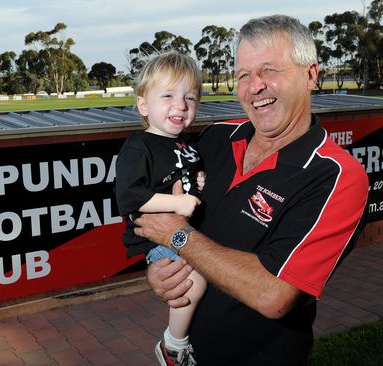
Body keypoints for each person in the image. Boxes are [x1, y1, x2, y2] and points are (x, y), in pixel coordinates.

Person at [133, 15, 369, 365]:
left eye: (269, 71)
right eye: (243, 75)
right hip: (190, 352)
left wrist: (178, 237)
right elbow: (162, 217)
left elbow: (274, 295)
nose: (254, 86)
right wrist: (159, 270)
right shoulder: (216, 137)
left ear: (310, 75)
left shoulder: (335, 176)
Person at [114, 51, 207, 366]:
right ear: (143, 105)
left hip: (185, 231)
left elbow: (188, 177)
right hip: (157, 239)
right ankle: (173, 344)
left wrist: (199, 181)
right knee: (195, 278)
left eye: (189, 98)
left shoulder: (187, 145)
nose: (180, 105)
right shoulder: (138, 145)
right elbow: (130, 196)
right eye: (167, 95)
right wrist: (178, 202)